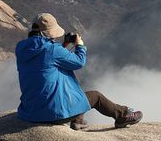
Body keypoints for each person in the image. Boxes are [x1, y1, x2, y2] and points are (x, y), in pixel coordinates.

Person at [15, 12, 143, 130]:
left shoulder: (21, 48)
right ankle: (122, 116)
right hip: (52, 114)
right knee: (95, 97)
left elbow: (46, 61)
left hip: (29, 112)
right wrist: (80, 46)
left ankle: (78, 121)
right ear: (50, 32)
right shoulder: (53, 50)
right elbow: (78, 62)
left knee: (65, 84)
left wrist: (63, 46)